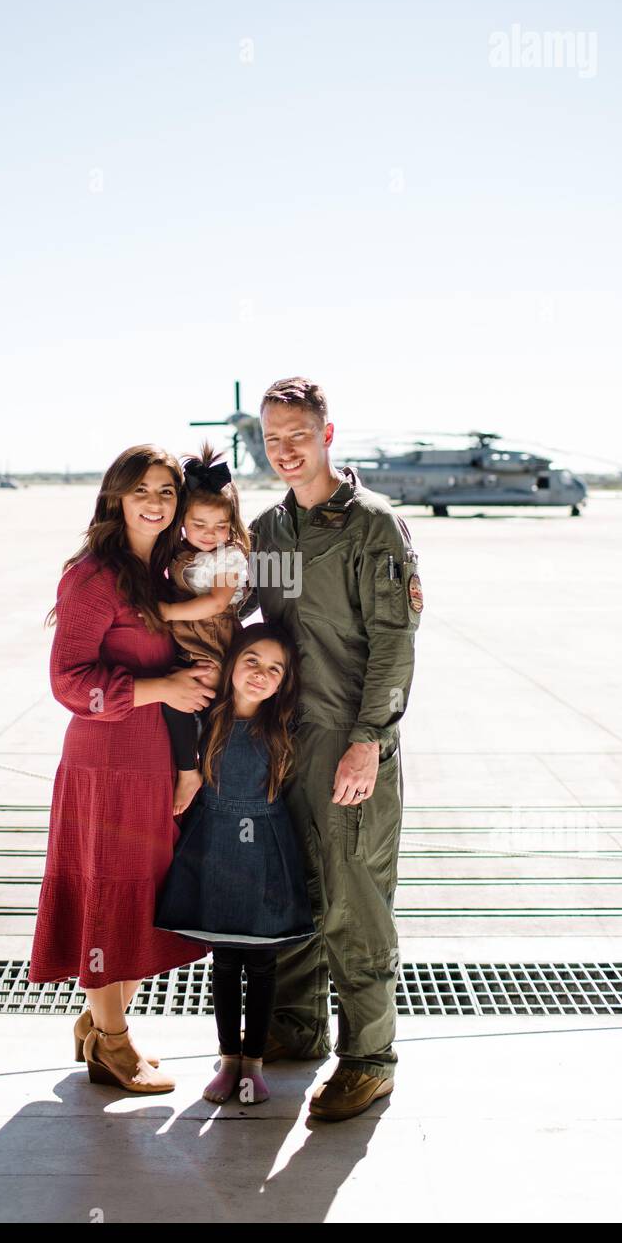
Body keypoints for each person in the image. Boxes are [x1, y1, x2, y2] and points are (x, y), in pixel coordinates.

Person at [237, 377, 422, 1122]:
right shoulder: (273, 532)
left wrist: (368, 743)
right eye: (272, 438)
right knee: (296, 891)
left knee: (355, 903)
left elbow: (393, 647)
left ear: (327, 435)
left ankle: (370, 1059)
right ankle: (298, 1026)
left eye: (298, 436)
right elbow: (238, 607)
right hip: (286, 745)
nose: (285, 451)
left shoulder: (372, 527)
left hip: (350, 746)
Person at [27, 444, 218, 1096]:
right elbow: (67, 681)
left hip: (153, 761)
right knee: (113, 897)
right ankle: (112, 1042)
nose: (156, 502)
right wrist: (161, 688)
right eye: (142, 489)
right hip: (105, 763)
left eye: (167, 491)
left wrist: (187, 761)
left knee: (140, 900)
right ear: (116, 496)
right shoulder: (93, 576)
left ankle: (95, 1020)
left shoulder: (162, 577)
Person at [154, 623, 315, 1106]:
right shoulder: (208, 716)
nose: (261, 675)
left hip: (265, 850)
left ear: (285, 682)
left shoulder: (285, 728)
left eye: (274, 669)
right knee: (224, 961)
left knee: (262, 962)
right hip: (217, 848)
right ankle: (228, 1060)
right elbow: (171, 704)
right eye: (251, 661)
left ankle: (254, 1065)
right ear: (230, 663)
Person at [157, 442, 251, 814]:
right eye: (199, 525)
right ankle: (190, 770)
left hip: (214, 645)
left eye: (220, 526)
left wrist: (164, 612)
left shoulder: (228, 557)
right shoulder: (178, 550)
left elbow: (215, 603)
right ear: (182, 520)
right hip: (187, 644)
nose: (210, 534)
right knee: (175, 703)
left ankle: (202, 779)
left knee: (202, 708)